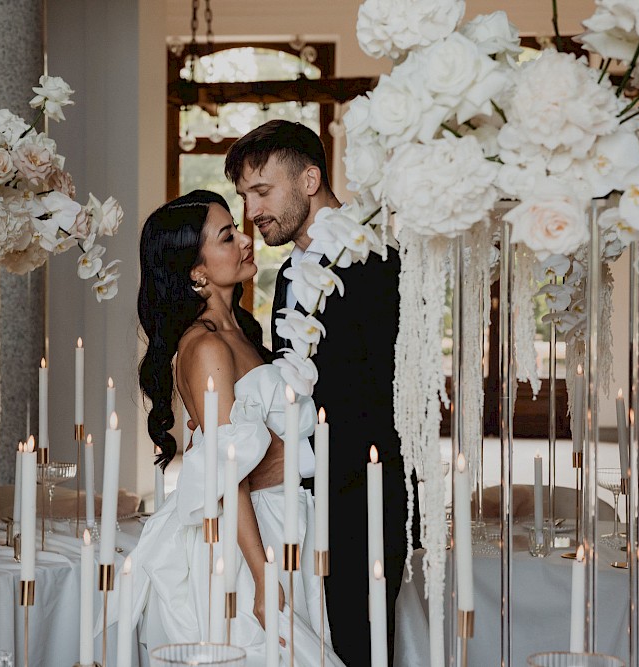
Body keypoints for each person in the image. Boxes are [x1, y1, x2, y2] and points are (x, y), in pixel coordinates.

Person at [226, 120, 410, 666]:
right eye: (245, 197)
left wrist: (298, 457)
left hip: (362, 493)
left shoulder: (376, 259)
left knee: (359, 644)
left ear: (310, 179)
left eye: (262, 191)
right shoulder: (287, 277)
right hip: (298, 502)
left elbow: (380, 390)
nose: (253, 211)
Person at [134, 189, 345, 666]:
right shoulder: (206, 347)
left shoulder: (244, 334)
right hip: (248, 537)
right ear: (197, 271)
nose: (245, 241)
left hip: (286, 521)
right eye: (227, 237)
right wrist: (262, 573)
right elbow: (226, 475)